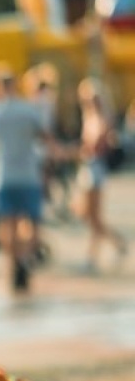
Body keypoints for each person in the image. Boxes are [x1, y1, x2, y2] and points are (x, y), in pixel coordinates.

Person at [0, 64, 52, 292]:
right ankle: (25, 257)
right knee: (33, 224)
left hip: (1, 174)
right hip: (28, 173)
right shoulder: (29, 110)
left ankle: (12, 263)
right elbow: (44, 138)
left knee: (6, 224)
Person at [72, 77, 127, 271]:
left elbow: (97, 146)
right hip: (88, 168)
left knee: (93, 216)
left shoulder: (104, 118)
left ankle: (92, 256)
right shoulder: (89, 117)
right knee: (87, 215)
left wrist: (76, 151)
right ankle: (117, 242)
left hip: (95, 168)